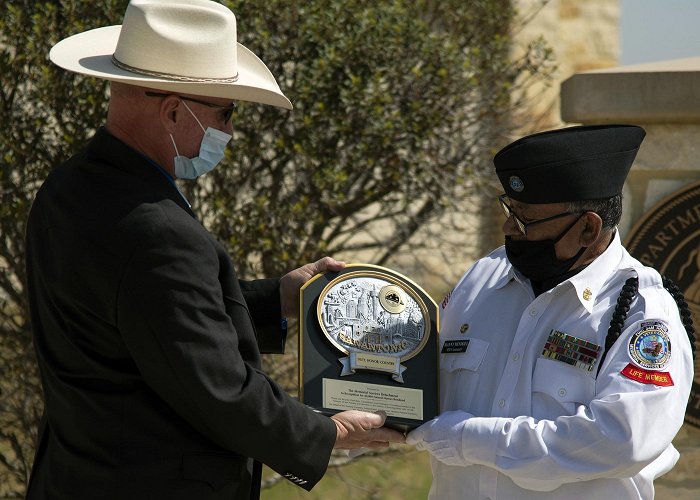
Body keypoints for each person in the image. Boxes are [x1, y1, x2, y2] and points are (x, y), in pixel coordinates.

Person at [25, 1, 404, 499]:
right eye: (226, 113)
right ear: (173, 110)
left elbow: (148, 318)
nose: (228, 132)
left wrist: (280, 300)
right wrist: (328, 432)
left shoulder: (69, 188)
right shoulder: (157, 230)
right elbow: (216, 388)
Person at [407, 124, 695, 499]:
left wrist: (468, 440)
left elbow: (622, 439)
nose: (510, 228)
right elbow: (419, 378)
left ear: (589, 229)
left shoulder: (641, 312)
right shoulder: (483, 278)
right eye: (509, 210)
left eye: (526, 219)